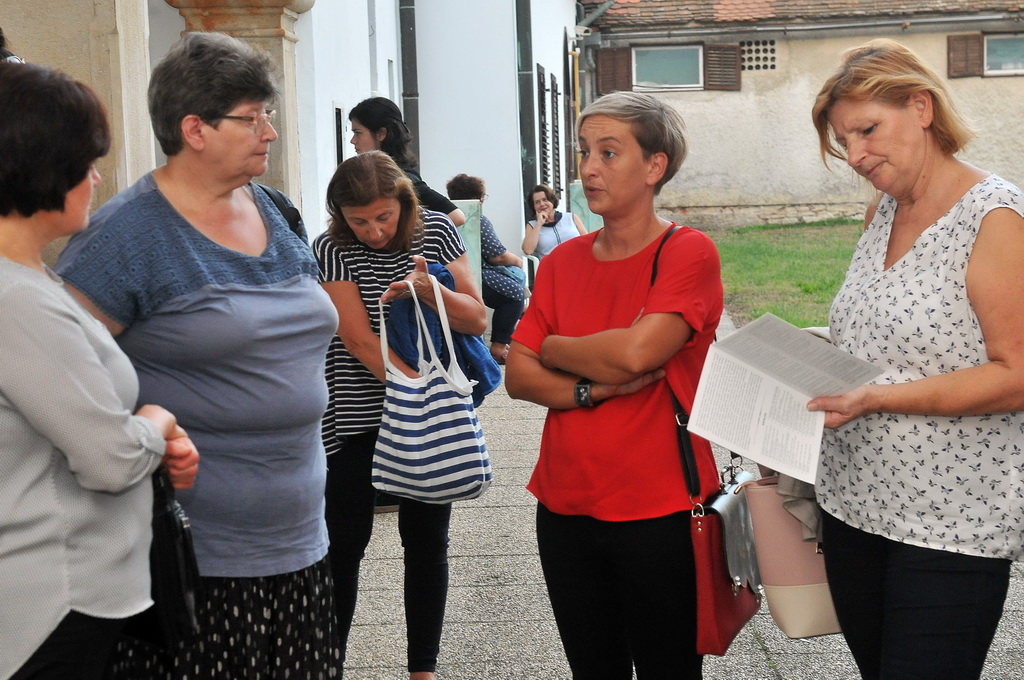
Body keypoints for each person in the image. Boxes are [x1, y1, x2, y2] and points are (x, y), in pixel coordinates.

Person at [55, 32, 341, 679]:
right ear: (195, 129)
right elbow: (57, 374)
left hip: (303, 548)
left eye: (267, 113)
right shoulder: (126, 236)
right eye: (252, 116)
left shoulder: (277, 211)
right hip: (198, 565)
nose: (270, 130)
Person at [808, 39, 1024, 680]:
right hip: (852, 505)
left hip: (950, 523)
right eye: (844, 142)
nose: (856, 156)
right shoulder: (883, 210)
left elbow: (1015, 373)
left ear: (922, 107)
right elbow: (881, 337)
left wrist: (875, 397)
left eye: (868, 130)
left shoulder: (995, 218)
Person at [505, 91, 723, 678]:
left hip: (659, 509)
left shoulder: (688, 252)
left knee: (667, 669)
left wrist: (553, 347)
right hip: (565, 502)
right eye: (583, 152)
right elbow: (518, 377)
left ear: (655, 167)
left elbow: (636, 353)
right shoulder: (561, 262)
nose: (589, 168)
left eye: (608, 152)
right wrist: (588, 389)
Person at [0, 61, 199, 680]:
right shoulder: (15, 296)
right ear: (43, 168)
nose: (96, 177)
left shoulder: (30, 279)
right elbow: (109, 458)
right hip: (51, 603)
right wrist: (157, 421)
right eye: (86, 161)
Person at [313, 151, 486, 680]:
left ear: (404, 204)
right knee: (344, 542)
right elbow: (359, 340)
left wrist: (428, 290)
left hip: (425, 409)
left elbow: (477, 318)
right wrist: (416, 396)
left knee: (426, 538)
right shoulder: (331, 248)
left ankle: (423, 670)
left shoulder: (435, 230)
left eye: (384, 217)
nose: (372, 230)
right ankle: (328, 665)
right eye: (358, 220)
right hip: (358, 410)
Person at [445, 173, 526, 364]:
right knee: (515, 293)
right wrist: (517, 261)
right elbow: (497, 256)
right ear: (479, 198)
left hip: (450, 274)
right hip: (474, 275)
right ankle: (498, 346)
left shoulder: (444, 217)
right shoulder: (478, 219)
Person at [349, 96, 466, 227]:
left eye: (358, 133)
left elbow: (456, 216)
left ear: (381, 133)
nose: (353, 140)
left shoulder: (401, 177)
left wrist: (405, 233)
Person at [521, 183, 586, 259]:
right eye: (537, 202)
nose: (542, 204)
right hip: (552, 267)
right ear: (534, 206)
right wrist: (539, 224)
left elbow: (587, 242)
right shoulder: (532, 225)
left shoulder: (571, 217)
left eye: (545, 199)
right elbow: (528, 250)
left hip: (577, 262)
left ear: (552, 200)